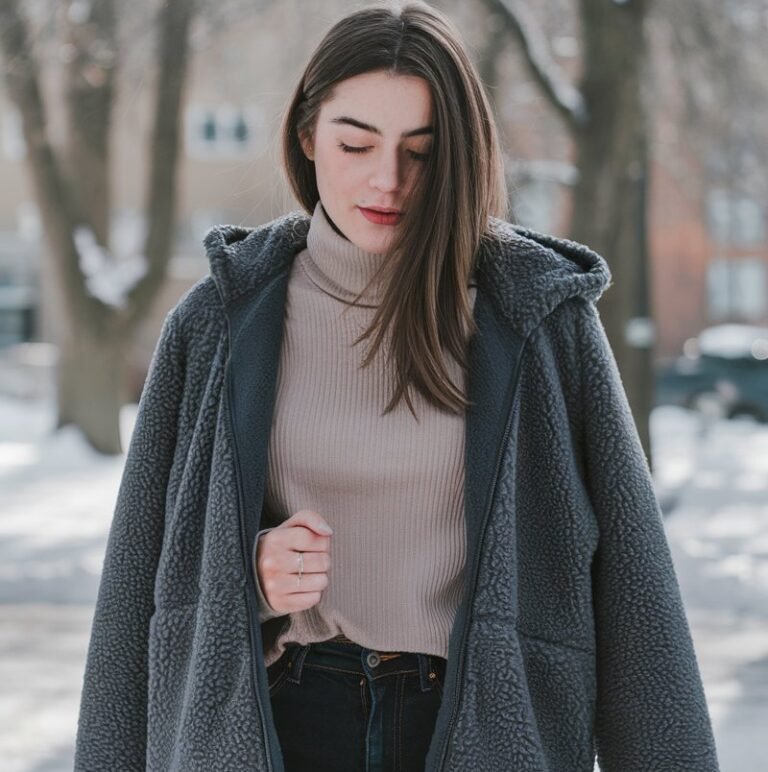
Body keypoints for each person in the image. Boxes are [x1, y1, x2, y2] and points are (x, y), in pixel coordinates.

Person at [74, 1, 721, 770]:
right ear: (308, 135)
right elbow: (139, 582)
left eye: (423, 150)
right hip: (281, 722)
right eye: (357, 143)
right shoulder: (220, 319)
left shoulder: (537, 317)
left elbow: (635, 590)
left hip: (482, 729)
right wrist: (249, 574)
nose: (388, 180)